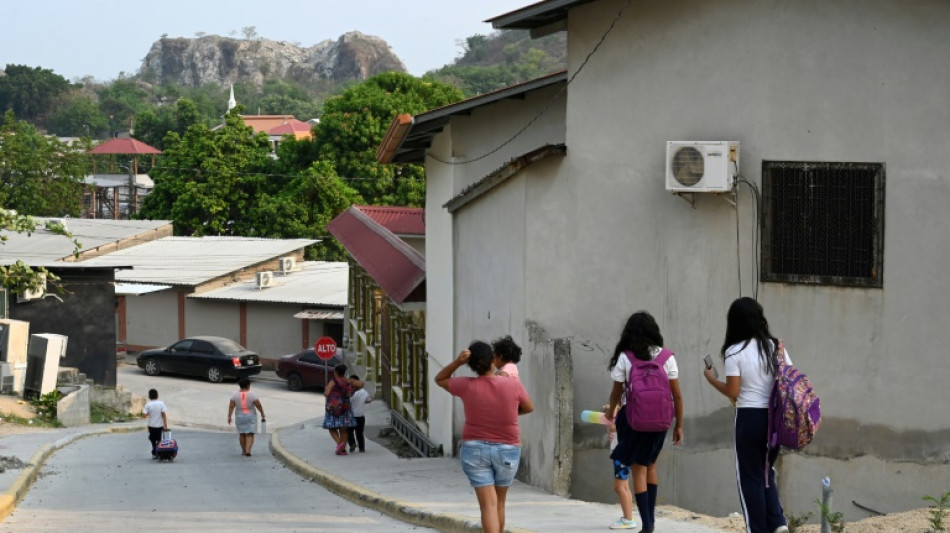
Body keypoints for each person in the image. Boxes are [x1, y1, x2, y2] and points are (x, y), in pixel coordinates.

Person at [704, 297, 790, 533]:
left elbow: (733, 392)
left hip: (749, 418)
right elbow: (788, 379)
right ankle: (778, 522)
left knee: (750, 478)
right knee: (766, 472)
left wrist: (712, 380)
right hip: (775, 418)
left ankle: (758, 529)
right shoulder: (776, 347)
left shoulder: (734, 351)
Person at [435, 341, 534, 533]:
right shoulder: (513, 384)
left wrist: (457, 362)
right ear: (494, 359)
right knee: (499, 503)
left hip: (474, 449)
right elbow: (529, 407)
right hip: (507, 449)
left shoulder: (466, 385)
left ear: (471, 365)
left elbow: (440, 379)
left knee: (488, 505)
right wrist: (506, 414)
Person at [605, 311, 684, 532]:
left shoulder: (626, 357)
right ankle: (651, 521)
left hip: (633, 420)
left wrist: (611, 411)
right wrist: (679, 425)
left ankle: (647, 525)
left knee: (638, 468)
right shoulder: (667, 357)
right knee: (650, 464)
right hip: (660, 421)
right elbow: (677, 395)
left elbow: (616, 392)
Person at [323, 364, 356, 455]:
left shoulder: (333, 382)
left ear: (335, 372)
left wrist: (327, 390)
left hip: (334, 407)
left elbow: (326, 393)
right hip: (345, 407)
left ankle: (340, 445)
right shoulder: (348, 382)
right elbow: (350, 394)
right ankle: (343, 450)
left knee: (331, 428)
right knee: (344, 429)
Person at [227, 378, 266, 456]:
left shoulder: (234, 394)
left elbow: (231, 406)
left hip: (239, 416)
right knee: (250, 434)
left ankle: (244, 451)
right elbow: (258, 405)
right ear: (248, 385)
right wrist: (262, 413)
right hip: (251, 416)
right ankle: (248, 450)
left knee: (242, 434)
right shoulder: (252, 394)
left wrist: (229, 416)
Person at [347, 374, 372, 453]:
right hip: (361, 416)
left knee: (348, 431)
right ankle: (362, 448)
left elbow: (347, 401)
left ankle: (352, 443)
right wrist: (362, 401)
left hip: (351, 416)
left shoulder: (350, 392)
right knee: (360, 433)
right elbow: (369, 400)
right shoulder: (364, 392)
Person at [142, 389, 168, 459]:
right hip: (160, 425)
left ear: (149, 396)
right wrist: (165, 425)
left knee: (152, 439)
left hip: (151, 426)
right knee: (159, 439)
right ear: (157, 396)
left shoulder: (148, 405)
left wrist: (147, 414)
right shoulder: (161, 403)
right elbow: (164, 415)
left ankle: (154, 450)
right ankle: (157, 451)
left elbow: (144, 415)